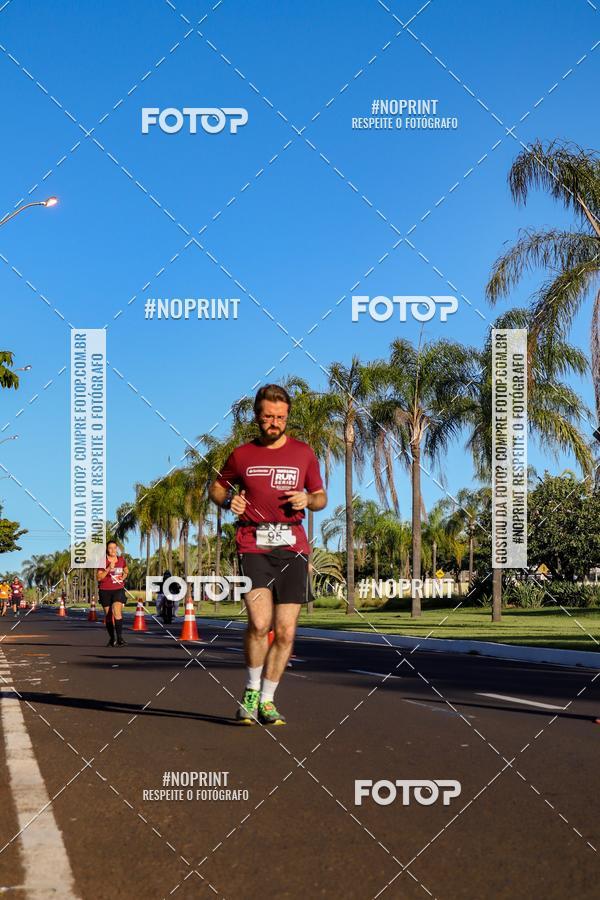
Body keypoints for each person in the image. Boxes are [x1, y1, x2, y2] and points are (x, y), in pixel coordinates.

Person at [209, 384, 327, 726]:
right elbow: (217, 487)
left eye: (280, 417)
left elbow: (320, 496)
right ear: (257, 417)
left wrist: (308, 500)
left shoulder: (303, 453)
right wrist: (229, 500)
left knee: (286, 632)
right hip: (253, 544)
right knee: (260, 623)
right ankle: (250, 689)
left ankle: (268, 700)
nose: (274, 422)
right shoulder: (241, 455)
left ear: (287, 416)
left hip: (293, 547)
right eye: (267, 417)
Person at [96, 540, 129, 647]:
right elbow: (99, 577)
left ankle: (120, 638)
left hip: (118, 589)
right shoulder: (102, 561)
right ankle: (112, 638)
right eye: (110, 548)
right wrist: (109, 568)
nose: (113, 550)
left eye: (115, 548)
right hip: (105, 590)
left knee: (117, 612)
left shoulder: (121, 560)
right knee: (109, 615)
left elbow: (126, 571)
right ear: (107, 549)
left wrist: (123, 578)